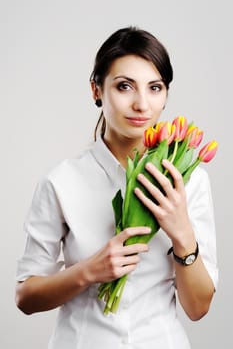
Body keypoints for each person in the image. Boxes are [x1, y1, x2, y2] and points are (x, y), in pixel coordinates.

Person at [15, 26, 218, 349]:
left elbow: (198, 308)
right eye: (125, 86)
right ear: (96, 90)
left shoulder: (189, 180)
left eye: (155, 87)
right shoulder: (62, 181)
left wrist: (183, 235)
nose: (142, 104)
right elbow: (25, 297)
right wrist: (88, 271)